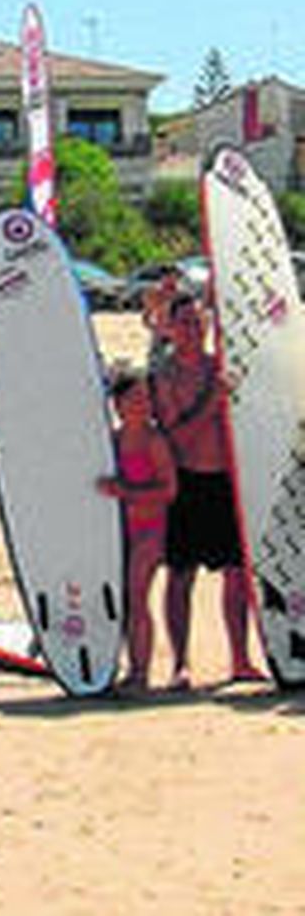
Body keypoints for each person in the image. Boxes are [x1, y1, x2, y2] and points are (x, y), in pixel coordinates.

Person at [151, 294, 267, 688]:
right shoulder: (165, 377)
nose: (192, 329)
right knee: (181, 575)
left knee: (236, 574)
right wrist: (212, 401)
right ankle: (180, 664)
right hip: (186, 481)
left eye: (198, 321)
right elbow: (176, 438)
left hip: (226, 481)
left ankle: (241, 659)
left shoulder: (222, 366)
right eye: (184, 322)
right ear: (169, 328)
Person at [96, 368, 179, 691]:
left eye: (146, 397)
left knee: (137, 595)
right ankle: (127, 668)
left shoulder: (154, 441)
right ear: (118, 404)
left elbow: (169, 490)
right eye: (135, 398)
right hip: (120, 532)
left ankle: (141, 673)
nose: (143, 404)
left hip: (152, 528)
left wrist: (126, 492)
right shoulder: (112, 441)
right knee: (125, 600)